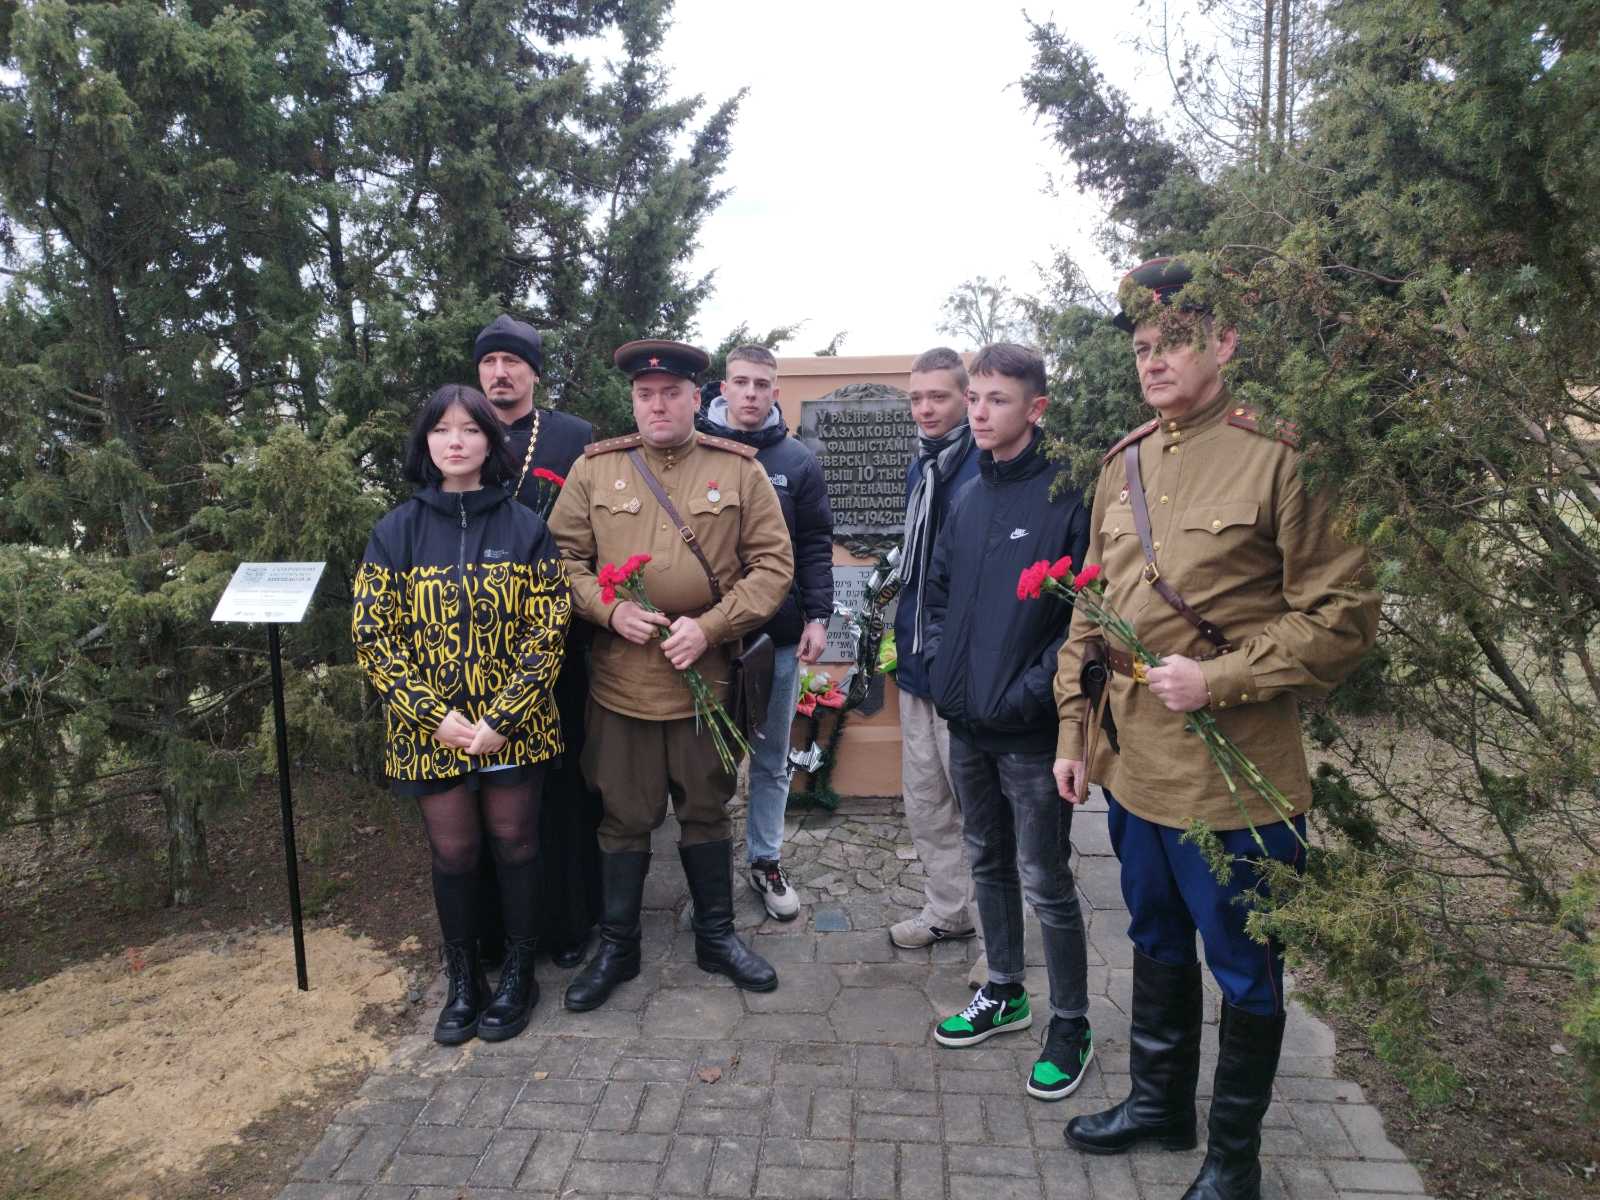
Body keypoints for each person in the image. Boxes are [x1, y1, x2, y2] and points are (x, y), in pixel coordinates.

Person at [1053, 258, 1378, 1200]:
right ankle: (1160, 1107)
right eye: (1142, 348)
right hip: (1134, 764)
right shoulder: (1123, 464)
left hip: (1237, 779)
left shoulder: (1281, 457)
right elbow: (1089, 610)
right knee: (1154, 938)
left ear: (1226, 342)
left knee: (1244, 964)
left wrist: (1221, 677)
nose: (1153, 361)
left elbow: (1343, 617)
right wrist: (1073, 735)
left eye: (1176, 342)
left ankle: (1235, 1161)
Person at [548, 338, 795, 1012]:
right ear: (633, 400)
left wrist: (711, 626)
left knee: (707, 808)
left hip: (705, 680)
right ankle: (618, 948)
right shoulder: (596, 469)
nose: (657, 405)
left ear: (696, 398)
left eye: (671, 393)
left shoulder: (738, 469)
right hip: (622, 682)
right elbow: (560, 559)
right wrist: (608, 610)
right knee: (623, 816)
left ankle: (716, 937)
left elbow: (774, 565)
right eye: (645, 394)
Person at [352, 384, 570, 1045]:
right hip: (428, 733)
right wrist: (430, 715)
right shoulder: (396, 530)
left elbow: (549, 628)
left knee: (517, 843)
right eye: (442, 429)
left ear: (489, 441)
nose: (456, 441)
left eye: (470, 429)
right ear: (426, 442)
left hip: (515, 726)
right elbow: (373, 634)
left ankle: (519, 976)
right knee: (454, 854)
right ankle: (465, 979)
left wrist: (503, 717)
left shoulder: (525, 527)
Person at [921, 343, 1095, 1102]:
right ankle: (1004, 990)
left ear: (1036, 407)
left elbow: (1085, 616)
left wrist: (1031, 693)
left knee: (1045, 878)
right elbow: (939, 592)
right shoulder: (968, 494)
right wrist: (941, 673)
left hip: (1029, 730)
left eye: (998, 399)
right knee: (985, 861)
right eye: (976, 398)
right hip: (967, 723)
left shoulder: (1068, 497)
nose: (980, 412)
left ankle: (1073, 1022)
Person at [474, 314, 601, 968]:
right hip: (477, 649)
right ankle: (495, 931)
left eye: (513, 362)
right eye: (489, 362)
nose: (500, 373)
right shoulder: (459, 431)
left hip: (558, 642)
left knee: (563, 785)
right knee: (491, 790)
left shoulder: (574, 437)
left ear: (533, 371)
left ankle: (570, 921)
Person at [695, 344, 834, 922]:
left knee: (772, 758)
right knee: (703, 761)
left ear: (776, 392)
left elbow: (815, 543)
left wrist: (818, 616)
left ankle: (765, 860)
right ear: (723, 387)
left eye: (761, 384)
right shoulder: (695, 449)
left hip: (774, 638)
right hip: (705, 640)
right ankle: (704, 871)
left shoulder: (797, 461)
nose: (750, 393)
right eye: (741, 382)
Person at [888, 347, 986, 987]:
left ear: (965, 398)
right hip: (917, 666)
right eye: (917, 398)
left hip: (966, 674)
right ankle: (949, 912)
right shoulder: (921, 467)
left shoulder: (982, 468)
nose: (925, 409)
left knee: (981, 811)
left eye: (939, 397)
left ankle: (1002, 940)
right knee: (926, 803)